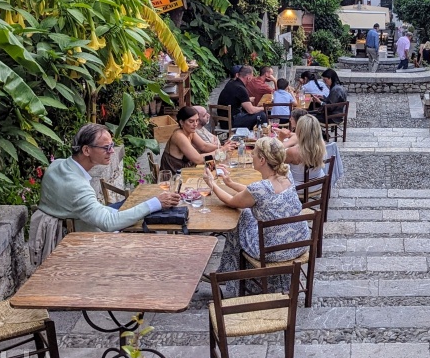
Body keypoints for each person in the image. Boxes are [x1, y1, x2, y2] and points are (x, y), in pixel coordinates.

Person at [207, 137, 310, 296]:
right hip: (298, 243)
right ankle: (229, 272)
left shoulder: (259, 188)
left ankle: (231, 274)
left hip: (274, 252)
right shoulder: (286, 174)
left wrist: (211, 184)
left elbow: (232, 201)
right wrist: (229, 183)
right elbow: (253, 193)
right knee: (248, 213)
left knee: (240, 218)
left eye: (253, 154)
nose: (251, 157)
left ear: (262, 160)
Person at [38, 124, 180, 232]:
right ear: (86, 150)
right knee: (151, 220)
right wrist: (156, 203)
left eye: (112, 146)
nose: (112, 151)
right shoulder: (78, 187)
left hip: (80, 220)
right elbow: (108, 223)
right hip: (87, 238)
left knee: (141, 203)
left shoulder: (57, 165)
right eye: (106, 147)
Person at [162, 105, 234, 173]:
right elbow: (198, 159)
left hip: (188, 168)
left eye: (197, 120)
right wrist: (221, 150)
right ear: (181, 122)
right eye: (191, 121)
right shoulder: (179, 136)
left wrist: (223, 147)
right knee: (214, 170)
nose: (195, 124)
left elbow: (204, 146)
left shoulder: (190, 131)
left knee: (219, 167)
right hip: (176, 174)